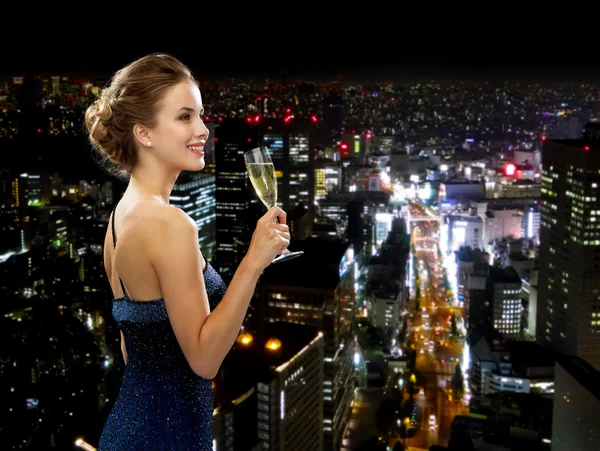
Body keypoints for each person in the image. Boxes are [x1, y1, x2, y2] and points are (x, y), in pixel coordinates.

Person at [84, 53, 290, 450]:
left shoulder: (119, 218)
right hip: (168, 437)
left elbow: (133, 346)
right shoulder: (170, 224)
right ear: (144, 133)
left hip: (131, 429)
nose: (204, 130)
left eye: (200, 114)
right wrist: (253, 262)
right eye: (184, 117)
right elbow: (204, 361)